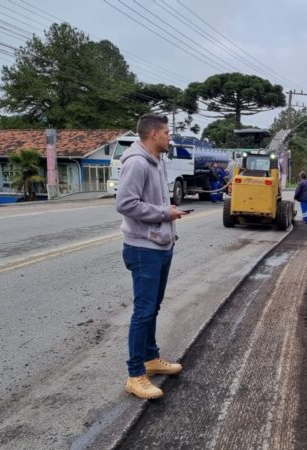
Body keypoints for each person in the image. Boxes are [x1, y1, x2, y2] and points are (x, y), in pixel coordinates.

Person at [116, 113, 188, 399]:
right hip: (143, 248)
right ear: (153, 134)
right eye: (167, 132)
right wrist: (163, 213)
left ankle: (150, 358)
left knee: (153, 307)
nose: (170, 136)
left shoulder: (158, 161)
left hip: (160, 245)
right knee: (143, 311)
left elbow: (150, 201)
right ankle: (135, 375)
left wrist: (166, 209)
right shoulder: (136, 163)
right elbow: (125, 203)